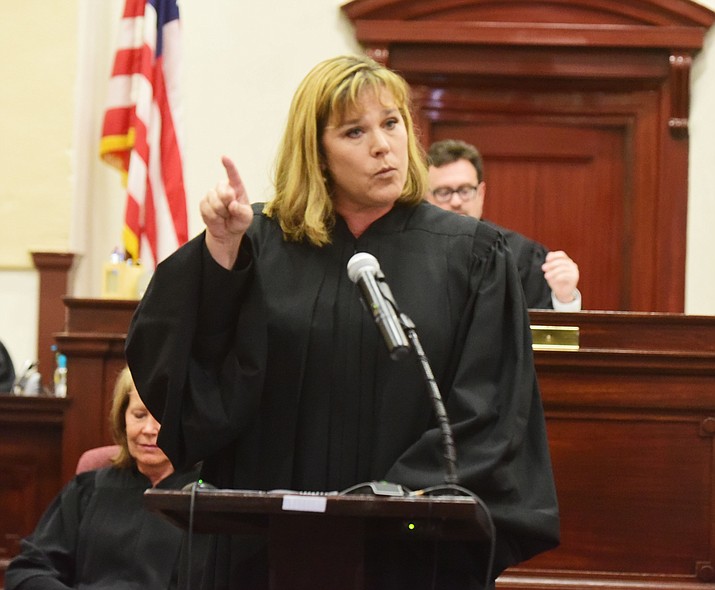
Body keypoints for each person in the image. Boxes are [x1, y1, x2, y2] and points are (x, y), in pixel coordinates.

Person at [125, 54, 559, 589]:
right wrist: (220, 252)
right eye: (355, 131)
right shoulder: (255, 241)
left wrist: (389, 502)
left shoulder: (473, 255)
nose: (383, 145)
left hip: (408, 553)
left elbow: (491, 408)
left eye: (392, 123)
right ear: (318, 154)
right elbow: (189, 379)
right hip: (263, 552)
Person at [5, 366, 200, 590]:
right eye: (139, 415)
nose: (149, 429)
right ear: (122, 417)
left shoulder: (205, 501)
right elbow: (28, 569)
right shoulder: (86, 489)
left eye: (162, 418)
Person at [426, 139, 582, 310]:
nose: (456, 201)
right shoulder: (413, 254)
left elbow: (547, 332)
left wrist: (565, 299)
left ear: (481, 193)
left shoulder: (521, 256)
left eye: (465, 190)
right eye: (444, 192)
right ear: (426, 197)